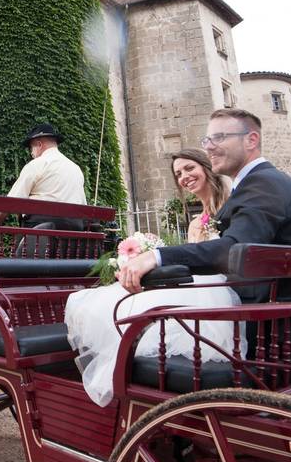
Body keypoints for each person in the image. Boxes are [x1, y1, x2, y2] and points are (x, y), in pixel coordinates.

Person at [65, 148, 241, 406]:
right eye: (178, 173)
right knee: (113, 300)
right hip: (197, 283)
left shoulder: (230, 207)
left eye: (190, 168)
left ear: (206, 166)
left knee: (117, 305)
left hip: (217, 289)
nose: (184, 177)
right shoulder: (195, 223)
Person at [117, 109, 291, 303]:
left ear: (251, 140)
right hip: (265, 310)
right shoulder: (257, 183)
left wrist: (156, 256)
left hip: (271, 320)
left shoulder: (263, 183)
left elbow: (235, 249)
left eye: (219, 137)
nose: (208, 147)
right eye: (207, 140)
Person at [0, 123, 86, 230]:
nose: (31, 153)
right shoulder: (76, 168)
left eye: (31, 148)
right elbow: (83, 204)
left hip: (41, 228)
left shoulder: (37, 164)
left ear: (39, 145)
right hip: (74, 232)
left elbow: (13, 199)